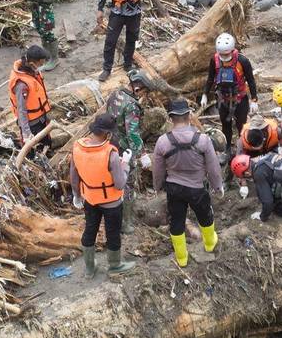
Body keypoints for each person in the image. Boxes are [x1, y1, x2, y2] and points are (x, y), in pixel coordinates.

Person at [152, 98, 223, 267]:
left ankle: (182, 258)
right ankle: (209, 243)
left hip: (174, 189)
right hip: (197, 188)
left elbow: (158, 169)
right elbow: (213, 167)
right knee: (205, 216)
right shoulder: (203, 140)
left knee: (176, 221)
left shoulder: (163, 141)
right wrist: (217, 186)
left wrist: (157, 186)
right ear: (189, 116)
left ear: (170, 118)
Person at [70, 114, 136, 277]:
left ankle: (89, 268)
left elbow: (73, 175)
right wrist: (125, 164)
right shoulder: (111, 155)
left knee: (90, 230)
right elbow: (120, 183)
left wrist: (77, 195)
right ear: (108, 134)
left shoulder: (77, 148)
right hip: (111, 202)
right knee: (112, 233)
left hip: (90, 199)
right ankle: (114, 265)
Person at [104, 68, 154, 233]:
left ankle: (110, 216)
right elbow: (132, 134)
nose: (144, 95)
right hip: (124, 149)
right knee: (127, 183)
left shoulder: (115, 94)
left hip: (110, 144)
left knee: (112, 181)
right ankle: (126, 223)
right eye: (144, 91)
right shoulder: (132, 106)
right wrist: (142, 154)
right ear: (138, 87)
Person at [201, 33, 258, 153]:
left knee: (241, 125)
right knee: (225, 125)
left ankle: (244, 148)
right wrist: (205, 94)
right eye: (221, 54)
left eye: (226, 54)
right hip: (223, 99)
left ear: (232, 50)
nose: (223, 56)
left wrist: (254, 100)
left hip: (240, 99)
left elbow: (251, 80)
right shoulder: (215, 60)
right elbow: (210, 78)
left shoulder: (242, 61)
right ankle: (227, 149)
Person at [9, 45, 52, 156]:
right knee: (35, 153)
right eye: (41, 64)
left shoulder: (31, 71)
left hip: (41, 118)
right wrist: (27, 134)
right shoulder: (21, 85)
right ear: (33, 64)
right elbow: (21, 110)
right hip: (32, 125)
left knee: (46, 145)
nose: (42, 67)